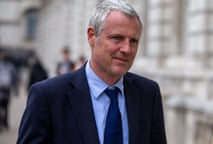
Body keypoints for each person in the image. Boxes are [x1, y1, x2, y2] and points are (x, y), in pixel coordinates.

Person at [17, 0, 167, 144]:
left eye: (133, 41)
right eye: (117, 38)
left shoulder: (148, 93)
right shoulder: (48, 96)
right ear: (91, 36)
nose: (127, 49)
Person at [0, 53, 17, 129]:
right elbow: (14, 80)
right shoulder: (11, 67)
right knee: (6, 108)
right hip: (7, 90)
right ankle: (5, 123)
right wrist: (16, 90)